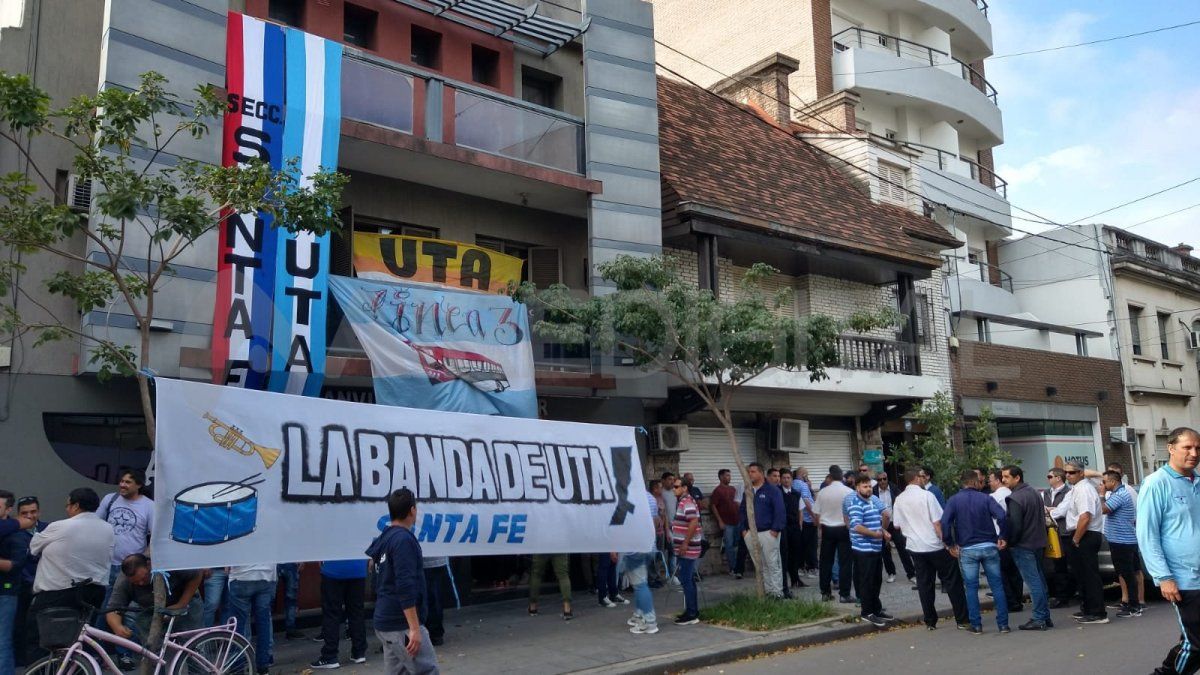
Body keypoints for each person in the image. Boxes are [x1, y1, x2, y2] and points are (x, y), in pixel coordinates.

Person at [1137, 427, 1200, 675]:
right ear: (1171, 448)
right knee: (1196, 643)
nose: (1194, 453)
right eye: (1187, 447)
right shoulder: (1156, 484)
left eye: (1198, 448)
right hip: (1183, 577)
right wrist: (1164, 576)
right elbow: (1147, 535)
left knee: (1193, 639)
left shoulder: (1197, 482)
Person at [27, 488, 114, 651]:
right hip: (95, 592)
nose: (66, 509)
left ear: (76, 506)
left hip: (58, 592)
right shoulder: (108, 529)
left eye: (67, 505)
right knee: (80, 641)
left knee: (41, 640)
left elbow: (33, 547)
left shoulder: (61, 526)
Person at [369, 488, 439, 674]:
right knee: (428, 670)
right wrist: (414, 629)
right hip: (401, 624)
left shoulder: (386, 537)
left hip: (386, 621)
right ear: (412, 511)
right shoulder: (403, 540)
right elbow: (405, 585)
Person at [892, 469, 968, 630]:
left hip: (915, 547)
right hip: (935, 545)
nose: (924, 479)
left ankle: (930, 621)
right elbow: (937, 523)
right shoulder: (927, 496)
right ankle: (961, 619)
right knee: (953, 582)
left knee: (925, 584)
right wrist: (948, 544)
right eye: (921, 476)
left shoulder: (899, 499)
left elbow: (897, 525)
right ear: (915, 478)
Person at [941, 470, 1010, 635]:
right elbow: (1002, 515)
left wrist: (950, 544)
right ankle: (1003, 625)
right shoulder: (986, 498)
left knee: (971, 587)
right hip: (989, 545)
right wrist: (1002, 536)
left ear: (963, 482)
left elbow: (945, 522)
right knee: (997, 585)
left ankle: (976, 625)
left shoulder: (954, 500)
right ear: (974, 482)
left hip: (967, 548)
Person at [105, 554, 202, 669]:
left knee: (192, 647)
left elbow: (197, 574)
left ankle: (200, 670)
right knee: (152, 652)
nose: (141, 583)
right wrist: (117, 626)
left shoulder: (169, 564)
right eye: (136, 582)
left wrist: (181, 604)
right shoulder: (124, 581)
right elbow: (113, 608)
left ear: (149, 564)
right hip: (152, 611)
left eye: (144, 578)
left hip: (186, 601)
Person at [1000, 465, 1052, 631]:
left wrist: (1011, 542)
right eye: (1003, 477)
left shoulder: (1015, 498)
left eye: (1006, 477)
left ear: (1017, 478)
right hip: (1037, 542)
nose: (1003, 480)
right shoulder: (1034, 492)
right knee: (1039, 580)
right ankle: (1044, 616)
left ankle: (1039, 617)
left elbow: (1015, 525)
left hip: (1024, 545)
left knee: (1033, 582)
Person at [1055, 460, 1107, 624]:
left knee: (1089, 575)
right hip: (1081, 533)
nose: (1068, 476)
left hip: (1086, 534)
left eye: (1072, 472)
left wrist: (1076, 538)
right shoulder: (1076, 489)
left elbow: (1085, 517)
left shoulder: (1084, 489)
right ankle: (1088, 608)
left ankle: (1098, 612)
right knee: (1081, 575)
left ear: (1081, 473)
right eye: (1066, 473)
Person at [98, 470, 154, 622]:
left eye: (128, 482)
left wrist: (143, 562)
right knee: (103, 607)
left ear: (139, 485)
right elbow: (96, 524)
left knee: (122, 611)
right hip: (106, 564)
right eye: (121, 481)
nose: (122, 485)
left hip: (130, 570)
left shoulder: (149, 506)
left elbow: (155, 538)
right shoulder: (110, 499)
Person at [847, 475, 893, 627]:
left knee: (876, 580)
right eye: (864, 486)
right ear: (857, 488)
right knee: (866, 582)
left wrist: (883, 532)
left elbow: (876, 522)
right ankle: (867, 612)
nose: (868, 489)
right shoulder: (856, 504)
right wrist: (875, 535)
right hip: (863, 548)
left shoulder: (872, 501)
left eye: (869, 486)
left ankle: (876, 609)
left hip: (875, 547)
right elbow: (856, 526)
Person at [310, 559, 368, 669]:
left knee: (331, 613)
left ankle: (330, 655)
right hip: (358, 568)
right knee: (356, 611)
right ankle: (359, 652)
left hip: (333, 568)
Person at [739, 463, 786, 599]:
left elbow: (780, 511)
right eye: (749, 472)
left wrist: (775, 530)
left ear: (761, 473)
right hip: (751, 533)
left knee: (773, 564)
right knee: (760, 565)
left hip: (768, 532)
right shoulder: (748, 491)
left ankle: (777, 594)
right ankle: (768, 592)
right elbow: (742, 511)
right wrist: (743, 530)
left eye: (753, 472)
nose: (750, 474)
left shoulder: (772, 490)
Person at [1101, 469, 1141, 619]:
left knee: (1127, 573)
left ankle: (1134, 605)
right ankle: (1131, 603)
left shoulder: (1120, 495)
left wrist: (1100, 495)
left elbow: (1104, 509)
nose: (1103, 485)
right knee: (1124, 573)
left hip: (1123, 540)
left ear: (1113, 481)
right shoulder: (1117, 494)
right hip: (1119, 539)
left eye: (1105, 482)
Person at [12, 496, 46, 668]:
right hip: (22, 586)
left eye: (33, 512)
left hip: (46, 586)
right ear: (18, 514)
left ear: (39, 512)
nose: (29, 516)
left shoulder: (49, 529)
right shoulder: (14, 532)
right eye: (24, 513)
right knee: (20, 623)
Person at [0, 491, 30, 675]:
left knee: (2, 641)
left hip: (5, 592)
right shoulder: (14, 526)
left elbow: (16, 565)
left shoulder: (16, 535)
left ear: (9, 509)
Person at [227, 563, 277, 674]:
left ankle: (237, 667)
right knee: (264, 624)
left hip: (241, 575)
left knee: (238, 626)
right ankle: (263, 666)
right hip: (265, 575)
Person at [814, 466, 854, 603]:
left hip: (827, 529)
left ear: (830, 477)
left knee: (826, 562)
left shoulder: (823, 492)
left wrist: (819, 526)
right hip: (844, 529)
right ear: (842, 477)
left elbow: (816, 513)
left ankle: (825, 592)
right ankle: (844, 594)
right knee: (845, 562)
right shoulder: (849, 492)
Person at [625, 486, 660, 635]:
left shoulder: (627, 498)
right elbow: (656, 522)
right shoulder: (651, 498)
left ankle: (649, 621)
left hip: (634, 548)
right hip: (649, 546)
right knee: (642, 583)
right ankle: (640, 615)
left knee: (640, 586)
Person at [988, 469, 1024, 613]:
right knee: (1014, 571)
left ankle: (1010, 601)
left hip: (999, 537)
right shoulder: (1012, 494)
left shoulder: (993, 497)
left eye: (990, 480)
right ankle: (1017, 599)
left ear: (997, 481)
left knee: (1002, 572)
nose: (989, 483)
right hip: (1013, 537)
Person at [671, 477, 703, 624]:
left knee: (686, 579)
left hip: (688, 549)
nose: (674, 489)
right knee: (688, 579)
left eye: (677, 486)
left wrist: (685, 543)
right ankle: (691, 610)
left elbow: (694, 522)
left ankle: (691, 614)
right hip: (684, 548)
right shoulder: (683, 501)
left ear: (684, 488)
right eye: (673, 486)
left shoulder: (687, 502)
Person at [873, 473, 914, 584]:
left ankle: (911, 574)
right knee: (885, 551)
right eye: (879, 479)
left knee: (902, 548)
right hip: (881, 524)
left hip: (894, 523)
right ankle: (891, 573)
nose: (882, 481)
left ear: (887, 478)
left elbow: (902, 504)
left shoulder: (894, 488)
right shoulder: (873, 491)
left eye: (884, 479)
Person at [1043, 467, 1073, 608]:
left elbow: (1062, 511)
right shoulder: (1045, 493)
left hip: (1063, 532)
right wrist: (1050, 510)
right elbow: (1041, 509)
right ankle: (1054, 594)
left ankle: (1064, 596)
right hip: (1049, 532)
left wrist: (1049, 511)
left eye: (1050, 476)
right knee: (1052, 565)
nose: (1048, 479)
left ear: (1058, 478)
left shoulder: (1069, 492)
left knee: (1063, 564)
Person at [710, 470, 742, 579]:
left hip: (738, 521)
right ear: (721, 477)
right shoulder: (718, 491)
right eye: (727, 475)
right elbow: (713, 506)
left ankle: (739, 567)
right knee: (729, 546)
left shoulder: (733, 489)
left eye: (730, 475)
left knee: (738, 545)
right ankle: (733, 568)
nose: (729, 477)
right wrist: (720, 521)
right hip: (727, 523)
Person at [780, 469, 805, 593]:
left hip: (794, 527)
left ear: (791, 479)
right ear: (780, 479)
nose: (786, 480)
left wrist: (800, 523)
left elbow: (801, 510)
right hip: (783, 527)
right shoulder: (778, 493)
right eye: (784, 478)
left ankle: (795, 579)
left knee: (796, 553)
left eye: (788, 478)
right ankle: (783, 583)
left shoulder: (796, 493)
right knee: (784, 554)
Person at [528, 554, 572, 620]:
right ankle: (567, 609)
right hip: (559, 546)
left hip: (541, 546)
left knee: (536, 575)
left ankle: (533, 607)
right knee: (563, 575)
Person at [795, 468, 818, 577]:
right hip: (808, 519)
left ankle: (801, 567)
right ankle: (812, 568)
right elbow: (806, 500)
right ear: (804, 475)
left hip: (800, 519)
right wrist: (814, 516)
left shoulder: (794, 484)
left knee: (802, 545)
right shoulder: (802, 485)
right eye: (807, 475)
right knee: (811, 545)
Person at [423, 557, 451, 647]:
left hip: (429, 562)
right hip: (434, 561)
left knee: (433, 597)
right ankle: (435, 634)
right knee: (434, 597)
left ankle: (434, 634)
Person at [660, 472, 678, 586]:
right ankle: (668, 575)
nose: (672, 481)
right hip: (664, 527)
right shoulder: (660, 493)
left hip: (675, 526)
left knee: (673, 552)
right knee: (667, 551)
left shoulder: (674, 493)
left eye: (673, 479)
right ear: (663, 480)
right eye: (669, 479)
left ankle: (673, 575)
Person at [277, 563, 304, 640]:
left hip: (275, 563)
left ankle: (266, 634)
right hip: (290, 563)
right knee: (291, 599)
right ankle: (290, 629)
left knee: (267, 600)